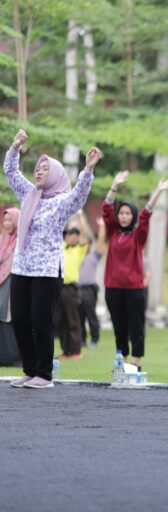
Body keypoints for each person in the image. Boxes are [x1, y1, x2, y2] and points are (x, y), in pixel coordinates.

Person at [5, 128, 101, 389]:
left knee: (41, 321)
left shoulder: (61, 202)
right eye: (37, 167)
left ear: (56, 174)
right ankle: (29, 370)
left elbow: (80, 195)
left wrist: (88, 170)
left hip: (46, 271)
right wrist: (15, 147)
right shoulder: (28, 194)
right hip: (22, 267)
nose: (38, 171)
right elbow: (11, 173)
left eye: (45, 169)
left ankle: (44, 375)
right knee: (21, 320)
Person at [104, 170, 168, 370]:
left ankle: (136, 362)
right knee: (119, 328)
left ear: (132, 215)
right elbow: (106, 208)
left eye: (127, 213)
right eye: (121, 213)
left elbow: (146, 215)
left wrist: (159, 191)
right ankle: (122, 362)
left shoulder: (138, 236)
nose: (124, 216)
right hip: (113, 288)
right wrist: (114, 185)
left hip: (134, 289)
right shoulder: (113, 233)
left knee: (136, 327)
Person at [54, 214, 89, 359]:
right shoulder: (62, 246)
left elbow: (85, 234)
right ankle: (66, 350)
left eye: (74, 234)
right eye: (69, 234)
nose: (71, 236)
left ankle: (75, 351)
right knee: (60, 320)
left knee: (73, 320)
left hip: (71, 288)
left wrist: (80, 216)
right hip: (58, 286)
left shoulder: (79, 249)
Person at [79, 217, 107, 350]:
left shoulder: (94, 256)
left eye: (88, 243)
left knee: (90, 315)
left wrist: (101, 226)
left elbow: (101, 242)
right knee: (79, 316)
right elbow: (83, 234)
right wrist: (80, 218)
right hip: (76, 288)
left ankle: (94, 339)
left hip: (89, 289)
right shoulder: (76, 254)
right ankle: (82, 339)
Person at [0, 208, 21, 367]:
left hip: (14, 281)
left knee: (9, 316)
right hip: (2, 281)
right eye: (5, 219)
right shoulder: (2, 239)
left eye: (10, 220)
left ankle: (13, 357)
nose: (6, 223)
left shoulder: (21, 240)